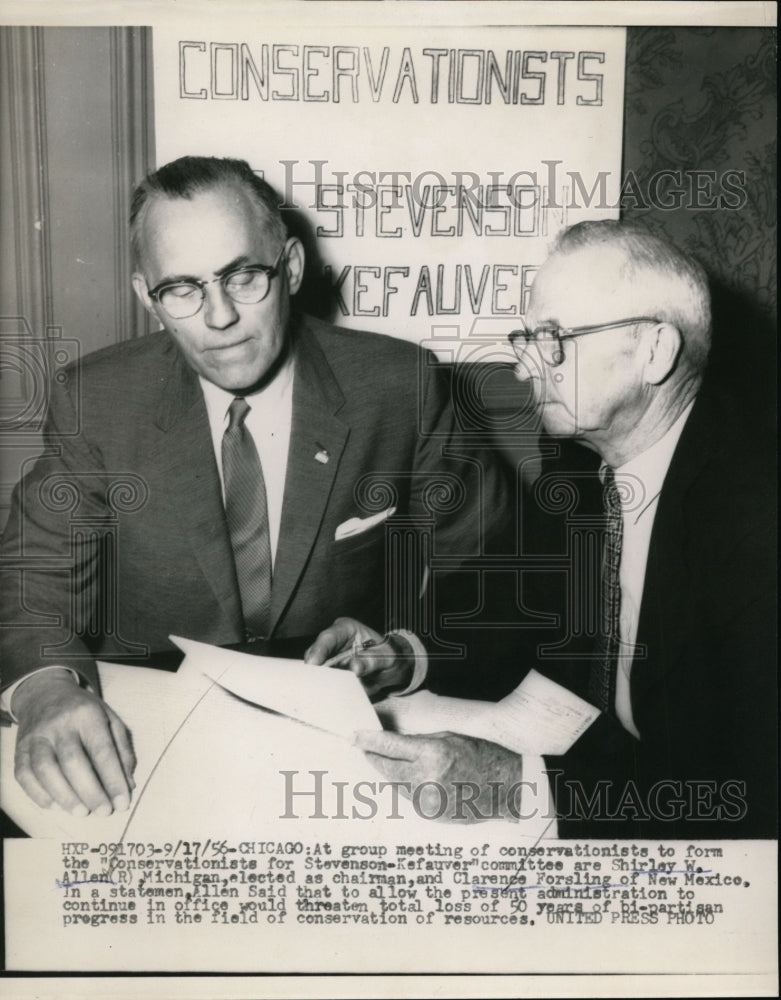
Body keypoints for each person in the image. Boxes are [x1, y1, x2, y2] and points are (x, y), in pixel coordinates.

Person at [0, 155, 508, 819]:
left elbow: (493, 572)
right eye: (181, 289)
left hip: (340, 742)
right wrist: (44, 688)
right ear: (146, 296)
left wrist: (404, 652)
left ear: (290, 267)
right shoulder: (97, 401)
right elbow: (33, 577)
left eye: (243, 277)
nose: (219, 317)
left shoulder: (398, 385)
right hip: (152, 741)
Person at [311, 220, 777, 837]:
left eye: (555, 339)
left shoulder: (757, 512)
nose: (526, 367)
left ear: (656, 351)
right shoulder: (579, 459)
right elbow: (518, 598)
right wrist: (402, 654)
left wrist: (519, 786)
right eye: (528, 339)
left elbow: (756, 798)